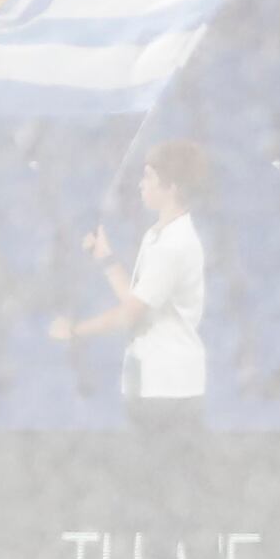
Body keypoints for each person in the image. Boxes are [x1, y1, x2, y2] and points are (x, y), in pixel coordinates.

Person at [55, 139, 212, 428]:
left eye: (149, 177)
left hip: (169, 389)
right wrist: (105, 258)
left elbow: (130, 315)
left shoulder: (173, 245)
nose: (141, 184)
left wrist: (75, 330)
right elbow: (137, 301)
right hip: (152, 384)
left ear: (172, 187)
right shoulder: (157, 235)